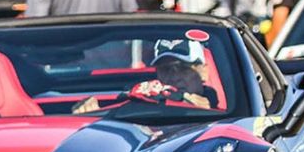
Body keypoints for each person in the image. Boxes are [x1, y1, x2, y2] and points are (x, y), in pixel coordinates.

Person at [74, 39, 217, 113]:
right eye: (166, 69)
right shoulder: (144, 102)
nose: (174, 77)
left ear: (203, 72)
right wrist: (92, 112)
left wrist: (204, 112)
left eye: (183, 68)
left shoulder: (224, 113)